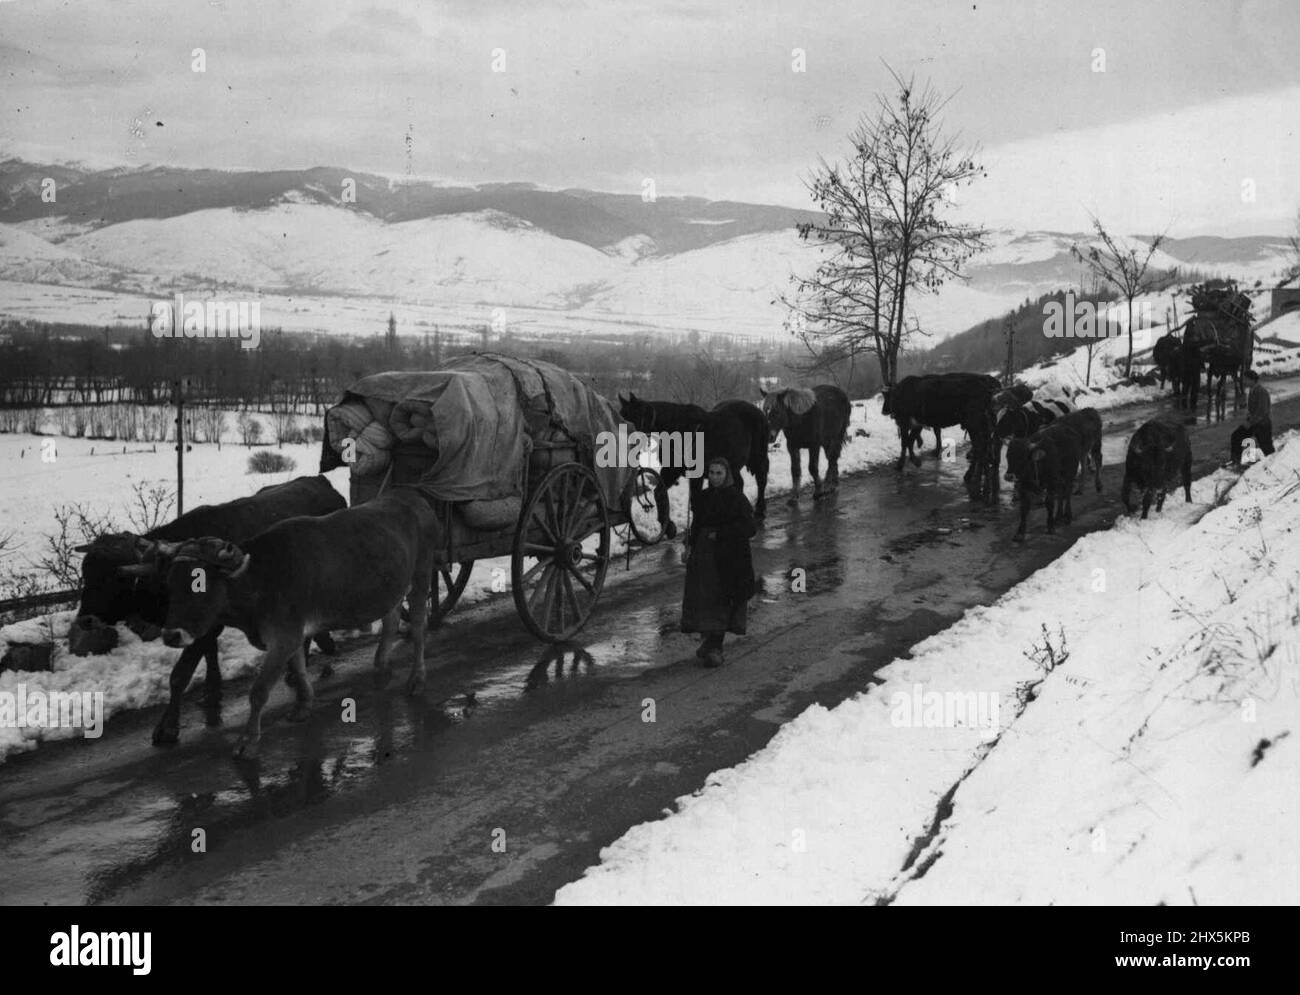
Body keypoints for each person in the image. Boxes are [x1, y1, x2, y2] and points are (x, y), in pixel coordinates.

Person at [680, 456, 757, 668]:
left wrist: (721, 534)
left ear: (727, 475)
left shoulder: (737, 499)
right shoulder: (702, 498)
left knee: (722, 600)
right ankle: (708, 642)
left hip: (728, 559)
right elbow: (696, 525)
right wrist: (688, 545)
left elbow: (750, 528)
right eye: (711, 473)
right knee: (704, 600)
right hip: (703, 558)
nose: (714, 477)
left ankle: (716, 647)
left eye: (719, 473)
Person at [1229, 370, 1274, 468]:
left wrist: (1251, 422)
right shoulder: (1252, 390)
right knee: (1237, 436)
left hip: (1262, 424)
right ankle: (1237, 461)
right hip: (1254, 423)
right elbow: (1252, 410)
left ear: (1252, 380)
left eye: (1246, 379)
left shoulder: (1261, 391)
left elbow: (1262, 411)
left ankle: (1273, 466)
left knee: (1267, 449)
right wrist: (1248, 419)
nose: (1244, 381)